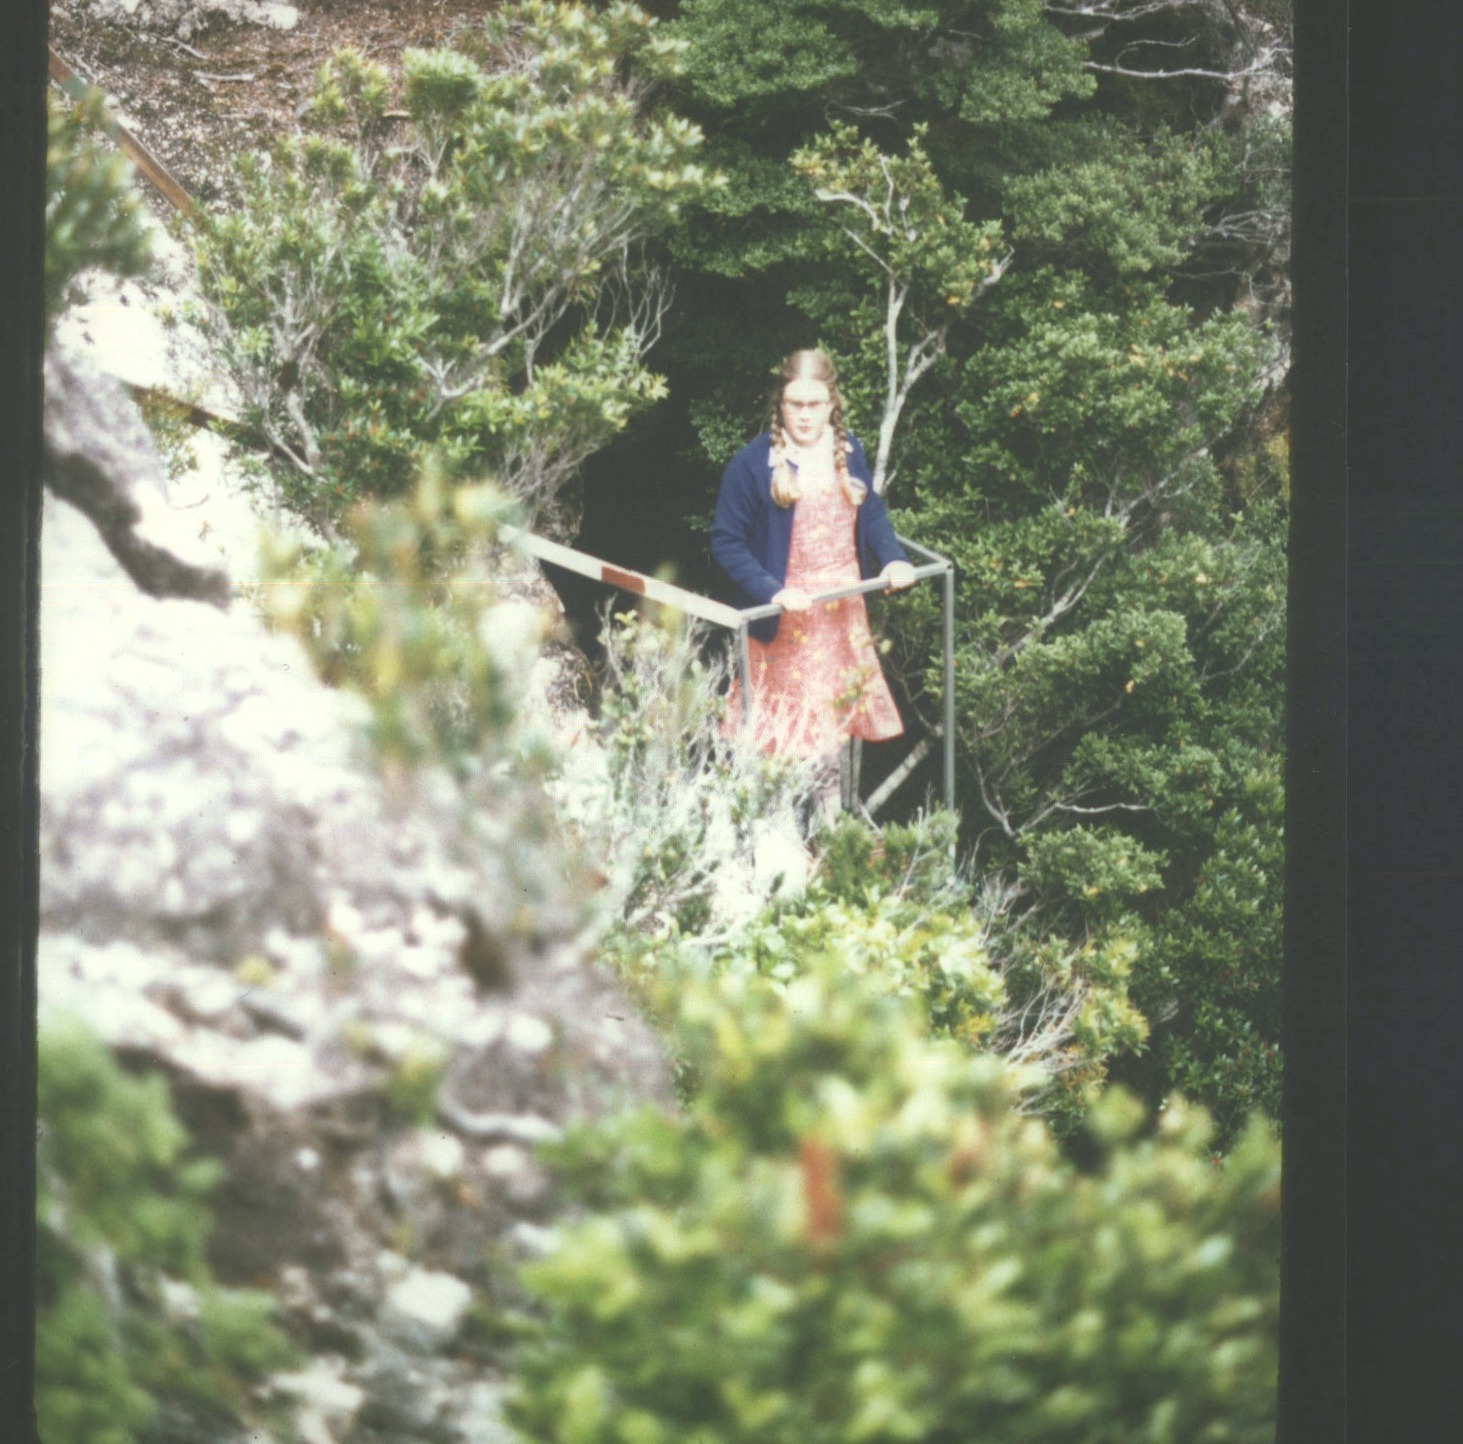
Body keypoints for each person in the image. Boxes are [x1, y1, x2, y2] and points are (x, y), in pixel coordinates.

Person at [710, 349, 916, 807]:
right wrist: (772, 591)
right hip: (784, 619)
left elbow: (872, 512)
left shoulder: (849, 451)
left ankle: (827, 830)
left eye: (815, 404)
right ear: (780, 405)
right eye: (794, 404)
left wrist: (893, 558)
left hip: (841, 610)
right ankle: (770, 830)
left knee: (832, 722)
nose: (805, 415)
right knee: (778, 731)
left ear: (832, 404)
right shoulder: (752, 465)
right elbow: (726, 541)